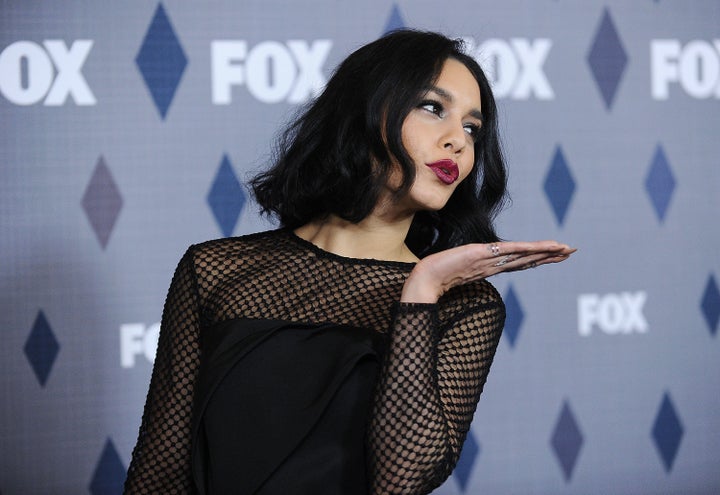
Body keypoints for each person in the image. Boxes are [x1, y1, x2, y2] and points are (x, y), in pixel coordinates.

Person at [123, 29, 575, 495]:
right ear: (367, 112)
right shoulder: (215, 271)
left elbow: (401, 480)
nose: (458, 142)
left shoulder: (465, 305)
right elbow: (159, 472)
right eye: (433, 108)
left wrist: (421, 290)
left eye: (471, 128)